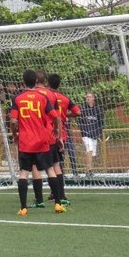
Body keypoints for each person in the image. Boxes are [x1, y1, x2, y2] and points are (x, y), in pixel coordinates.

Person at [9, 70, 63, 216]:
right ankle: (58, 204)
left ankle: (23, 207)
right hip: (41, 141)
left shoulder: (18, 98)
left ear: (23, 81)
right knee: (50, 170)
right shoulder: (43, 97)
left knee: (24, 173)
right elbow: (56, 117)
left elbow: (13, 121)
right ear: (36, 82)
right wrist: (57, 132)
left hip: (26, 142)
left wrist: (15, 134)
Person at [46, 73, 80, 205]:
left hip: (50, 134)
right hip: (62, 135)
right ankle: (58, 192)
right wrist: (66, 115)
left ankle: (58, 193)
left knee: (51, 165)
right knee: (59, 164)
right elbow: (77, 112)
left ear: (48, 83)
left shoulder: (46, 96)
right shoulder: (65, 98)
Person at [77, 92, 104, 176]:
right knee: (89, 150)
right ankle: (88, 171)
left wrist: (98, 132)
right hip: (86, 134)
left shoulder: (97, 109)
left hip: (94, 134)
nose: (88, 98)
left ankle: (89, 169)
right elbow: (79, 121)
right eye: (87, 97)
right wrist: (83, 130)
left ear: (93, 98)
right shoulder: (83, 108)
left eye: (90, 97)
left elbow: (101, 122)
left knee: (92, 153)